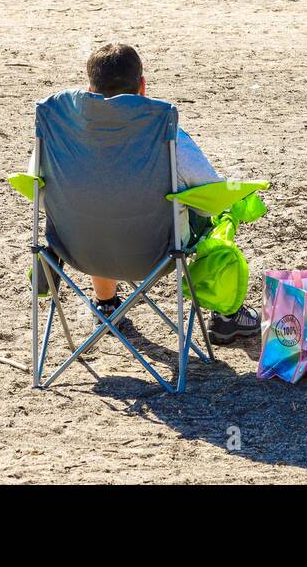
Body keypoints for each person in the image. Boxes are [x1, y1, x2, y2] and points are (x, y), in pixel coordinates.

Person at [29, 43, 261, 345]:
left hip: (76, 251)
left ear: (89, 88)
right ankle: (228, 317)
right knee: (221, 211)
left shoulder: (59, 136)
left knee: (92, 203)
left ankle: (107, 305)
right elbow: (209, 189)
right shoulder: (165, 134)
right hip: (156, 255)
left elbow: (36, 186)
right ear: (142, 86)